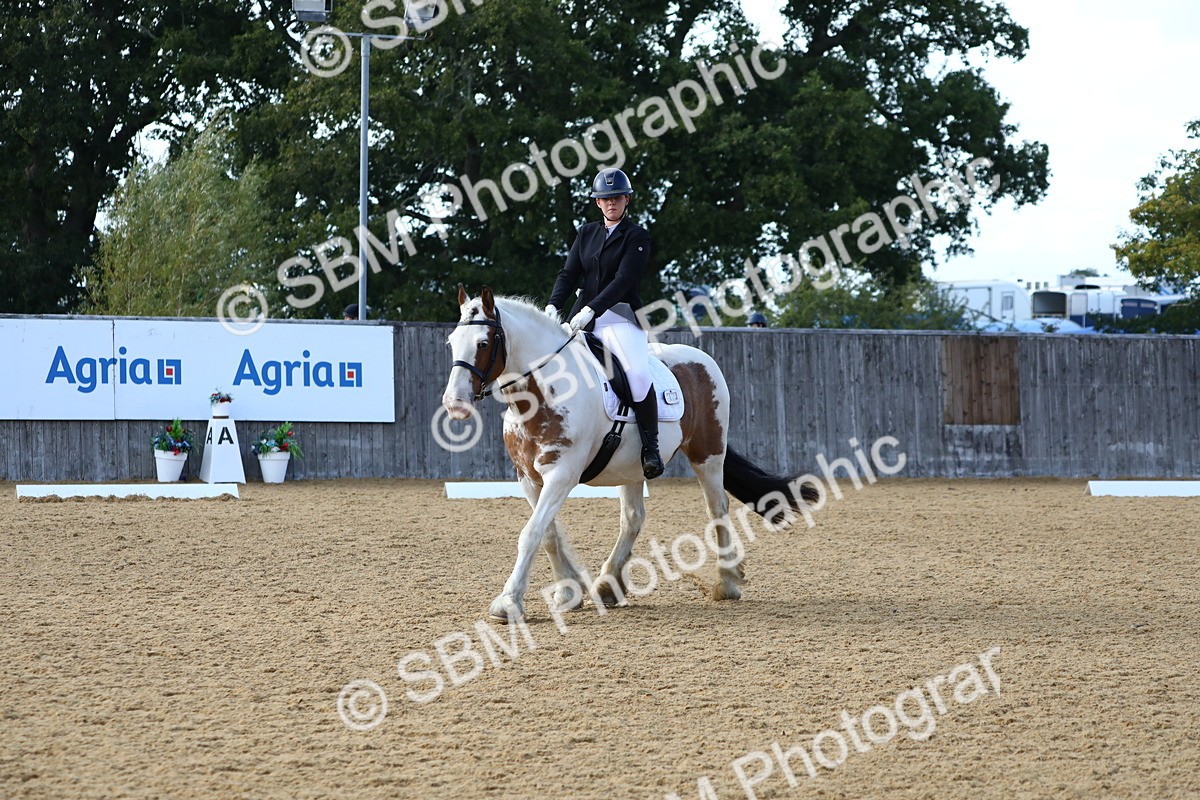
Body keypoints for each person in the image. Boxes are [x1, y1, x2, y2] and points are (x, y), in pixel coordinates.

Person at [546, 167, 664, 480]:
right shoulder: (586, 233)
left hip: (620, 316)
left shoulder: (637, 236)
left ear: (626, 200)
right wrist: (553, 305)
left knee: (637, 374)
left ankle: (651, 448)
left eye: (616, 197)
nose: (611, 203)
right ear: (598, 203)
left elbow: (624, 280)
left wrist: (593, 309)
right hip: (581, 315)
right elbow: (568, 274)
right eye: (605, 198)